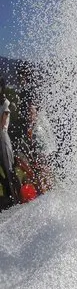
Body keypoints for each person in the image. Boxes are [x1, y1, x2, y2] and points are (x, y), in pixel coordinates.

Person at [0, 76, 19, 210]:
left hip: (3, 138)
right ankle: (8, 195)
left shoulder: (5, 102)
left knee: (8, 168)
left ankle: (15, 195)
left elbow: (2, 124)